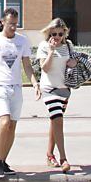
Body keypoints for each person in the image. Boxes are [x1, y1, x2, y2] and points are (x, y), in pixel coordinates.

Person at [0, 8, 40, 179]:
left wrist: (34, 83)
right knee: (4, 123)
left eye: (15, 24)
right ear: (2, 22)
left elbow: (27, 65)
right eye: (10, 24)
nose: (13, 27)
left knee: (12, 126)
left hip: (16, 88)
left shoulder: (22, 41)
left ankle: (4, 161)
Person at [34, 18, 78, 172]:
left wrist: (74, 63)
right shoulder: (44, 46)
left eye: (60, 33)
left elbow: (74, 62)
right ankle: (63, 158)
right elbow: (44, 68)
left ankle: (49, 154)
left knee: (55, 122)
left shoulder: (69, 45)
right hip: (49, 89)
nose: (57, 36)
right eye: (54, 34)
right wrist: (51, 51)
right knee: (58, 121)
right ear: (49, 33)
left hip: (64, 90)